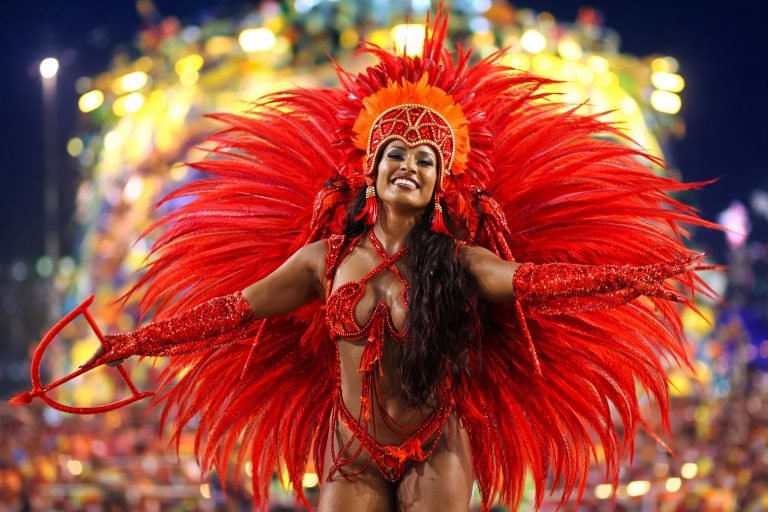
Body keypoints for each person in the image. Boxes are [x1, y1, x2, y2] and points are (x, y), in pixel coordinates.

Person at [12, 7, 715, 512]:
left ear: (442, 183)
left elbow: (534, 283)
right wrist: (133, 342)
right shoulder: (324, 259)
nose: (409, 165)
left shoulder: (462, 261)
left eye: (425, 160)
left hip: (437, 446)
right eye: (396, 155)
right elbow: (233, 311)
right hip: (348, 449)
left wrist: (634, 276)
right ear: (370, 171)